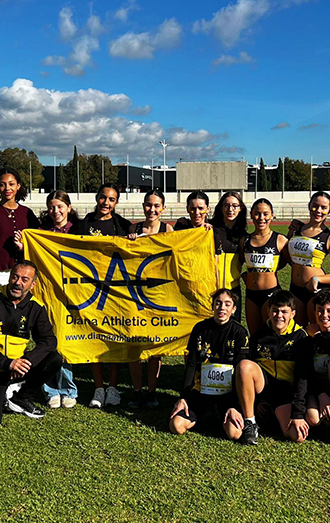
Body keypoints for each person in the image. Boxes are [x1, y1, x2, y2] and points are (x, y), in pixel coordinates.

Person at [0, 260, 62, 430]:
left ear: (33, 284)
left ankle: (20, 397)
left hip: (15, 370)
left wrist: (25, 361)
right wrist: (7, 363)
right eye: (15, 277)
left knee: (53, 358)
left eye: (25, 279)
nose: (18, 283)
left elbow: (49, 341)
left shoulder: (36, 307)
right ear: (9, 277)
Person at [227, 290, 308, 445]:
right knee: (244, 366)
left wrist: (297, 413)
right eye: (275, 311)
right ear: (268, 311)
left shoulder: (301, 337)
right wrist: (256, 401)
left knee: (296, 436)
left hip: (286, 395)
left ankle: (273, 416)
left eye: (284, 311)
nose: (279, 316)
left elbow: (302, 378)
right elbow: (242, 377)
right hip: (263, 390)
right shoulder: (258, 336)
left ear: (293, 314)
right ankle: (250, 422)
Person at [76, 184, 132, 408]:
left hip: (117, 291)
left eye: (111, 199)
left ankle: (113, 387)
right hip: (90, 290)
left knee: (114, 339)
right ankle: (98, 388)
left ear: (116, 203)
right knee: (94, 338)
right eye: (103, 198)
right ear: (96, 198)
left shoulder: (123, 225)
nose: (106, 203)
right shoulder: (83, 224)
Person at [168, 289, 249, 437]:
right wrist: (183, 397)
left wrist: (234, 404)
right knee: (176, 426)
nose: (222, 308)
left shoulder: (239, 333)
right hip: (202, 390)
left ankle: (218, 415)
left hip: (227, 394)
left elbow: (240, 370)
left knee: (234, 433)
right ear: (212, 306)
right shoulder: (200, 329)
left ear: (234, 309)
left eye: (227, 304)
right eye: (218, 303)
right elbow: (191, 364)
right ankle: (206, 413)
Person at [127, 190, 174, 409]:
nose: (152, 209)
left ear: (163, 208)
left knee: (154, 347)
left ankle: (152, 391)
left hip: (158, 294)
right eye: (148, 205)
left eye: (156, 205)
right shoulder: (133, 229)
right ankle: (137, 391)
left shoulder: (168, 230)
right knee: (134, 345)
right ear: (143, 206)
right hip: (134, 293)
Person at [36, 191, 80, 410]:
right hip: (49, 293)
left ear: (69, 208)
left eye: (60, 207)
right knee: (48, 340)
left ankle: (69, 388)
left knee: (67, 341)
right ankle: (51, 389)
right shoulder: (42, 234)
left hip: (73, 294)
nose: (56, 211)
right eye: (52, 207)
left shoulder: (79, 231)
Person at [292, 292, 330, 445]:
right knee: (313, 418)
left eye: (329, 311)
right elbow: (305, 374)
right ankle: (329, 417)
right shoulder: (306, 340)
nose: (324, 315)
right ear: (314, 312)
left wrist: (318, 336)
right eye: (320, 310)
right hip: (320, 386)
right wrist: (320, 395)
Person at [284, 191, 330, 327]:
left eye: (324, 208)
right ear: (309, 206)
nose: (319, 210)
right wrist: (289, 234)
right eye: (315, 206)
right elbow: (288, 256)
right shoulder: (296, 231)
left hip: (316, 291)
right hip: (295, 288)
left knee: (316, 330)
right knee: (298, 331)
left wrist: (317, 279)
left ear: (329, 210)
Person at [0, 168, 39, 289]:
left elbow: (37, 244)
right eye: (3, 184)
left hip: (24, 274)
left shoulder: (27, 213)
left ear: (18, 186)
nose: (7, 188)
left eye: (11, 184)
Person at [240, 198, 287, 334]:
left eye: (266, 214)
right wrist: (247, 275)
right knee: (255, 335)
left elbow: (292, 263)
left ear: (272, 215)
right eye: (257, 213)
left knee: (272, 334)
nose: (261, 218)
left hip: (271, 294)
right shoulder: (245, 241)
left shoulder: (280, 240)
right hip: (251, 295)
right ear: (251, 215)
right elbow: (238, 263)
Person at [210, 191, 248, 323]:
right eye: (226, 205)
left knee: (233, 326)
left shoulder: (243, 235)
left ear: (240, 208)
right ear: (221, 208)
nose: (230, 209)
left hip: (233, 289)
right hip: (211, 288)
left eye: (234, 206)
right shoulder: (210, 229)